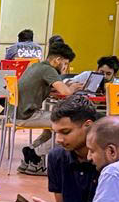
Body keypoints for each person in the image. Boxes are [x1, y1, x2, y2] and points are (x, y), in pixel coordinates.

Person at [17, 42, 80, 174]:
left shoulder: (36, 66)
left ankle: (31, 152)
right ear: (58, 60)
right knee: (67, 127)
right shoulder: (49, 70)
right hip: (27, 115)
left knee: (52, 126)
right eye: (66, 63)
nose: (66, 67)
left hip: (17, 112)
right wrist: (73, 88)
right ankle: (36, 154)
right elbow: (65, 92)